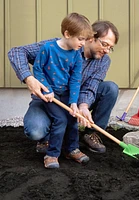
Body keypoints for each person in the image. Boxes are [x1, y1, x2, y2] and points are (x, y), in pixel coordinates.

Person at [8, 19, 120, 156]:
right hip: (49, 98)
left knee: (110, 88)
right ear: (91, 38)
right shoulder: (58, 47)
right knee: (35, 131)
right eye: (105, 44)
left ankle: (89, 134)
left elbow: (91, 85)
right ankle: (46, 138)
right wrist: (28, 78)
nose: (107, 51)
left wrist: (83, 106)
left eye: (110, 48)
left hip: (73, 97)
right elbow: (16, 52)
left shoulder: (103, 61)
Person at [31, 12, 94, 168]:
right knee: (60, 120)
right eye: (80, 39)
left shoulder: (76, 56)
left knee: (73, 119)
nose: (82, 43)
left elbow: (75, 79)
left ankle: (72, 149)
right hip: (50, 95)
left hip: (66, 94)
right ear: (67, 34)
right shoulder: (48, 48)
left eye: (84, 40)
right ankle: (51, 154)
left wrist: (73, 102)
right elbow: (38, 70)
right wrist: (47, 89)